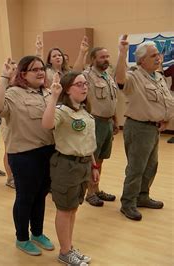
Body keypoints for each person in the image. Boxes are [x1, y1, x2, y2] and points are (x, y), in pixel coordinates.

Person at [0, 56, 55, 256]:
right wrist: (3, 77)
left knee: (41, 195)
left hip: (48, 152)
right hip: (24, 154)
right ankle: (22, 238)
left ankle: (37, 233)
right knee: (25, 197)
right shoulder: (13, 93)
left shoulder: (49, 92)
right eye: (34, 69)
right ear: (23, 74)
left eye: (41, 68)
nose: (40, 72)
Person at [42, 71, 99, 266]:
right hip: (66, 165)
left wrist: (93, 165)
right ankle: (65, 252)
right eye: (79, 84)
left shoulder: (83, 111)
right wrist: (54, 96)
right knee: (65, 210)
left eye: (85, 84)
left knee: (73, 209)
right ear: (68, 89)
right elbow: (47, 123)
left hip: (83, 165)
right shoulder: (61, 110)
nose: (84, 87)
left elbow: (88, 141)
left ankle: (69, 247)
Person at [115, 37, 174, 221]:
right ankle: (128, 203)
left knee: (151, 166)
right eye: (153, 55)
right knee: (136, 168)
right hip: (139, 128)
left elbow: (165, 102)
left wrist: (165, 120)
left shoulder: (158, 76)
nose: (158, 58)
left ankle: (142, 196)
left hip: (154, 129)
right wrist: (122, 53)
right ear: (142, 60)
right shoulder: (134, 76)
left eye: (158, 54)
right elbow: (120, 78)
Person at [74, 37, 119, 207]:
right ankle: (89, 193)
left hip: (107, 122)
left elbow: (111, 100)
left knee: (100, 159)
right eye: (102, 57)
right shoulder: (87, 75)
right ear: (93, 59)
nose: (106, 60)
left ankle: (96, 188)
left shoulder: (108, 76)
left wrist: (114, 119)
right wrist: (82, 52)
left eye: (107, 57)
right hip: (95, 122)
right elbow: (74, 74)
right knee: (92, 159)